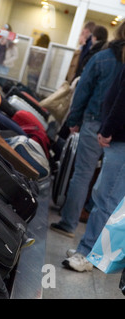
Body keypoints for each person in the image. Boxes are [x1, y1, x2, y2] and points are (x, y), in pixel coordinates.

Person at [50, 20, 125, 239]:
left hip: (94, 123)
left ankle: (69, 223)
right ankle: (95, 231)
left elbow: (81, 92)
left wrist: (74, 120)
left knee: (83, 174)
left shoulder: (101, 58)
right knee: (109, 185)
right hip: (120, 132)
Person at [63, 61, 125, 272]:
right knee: (105, 197)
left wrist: (107, 128)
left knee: (106, 199)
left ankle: (90, 254)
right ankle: (90, 249)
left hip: (120, 139)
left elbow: (122, 99)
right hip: (119, 138)